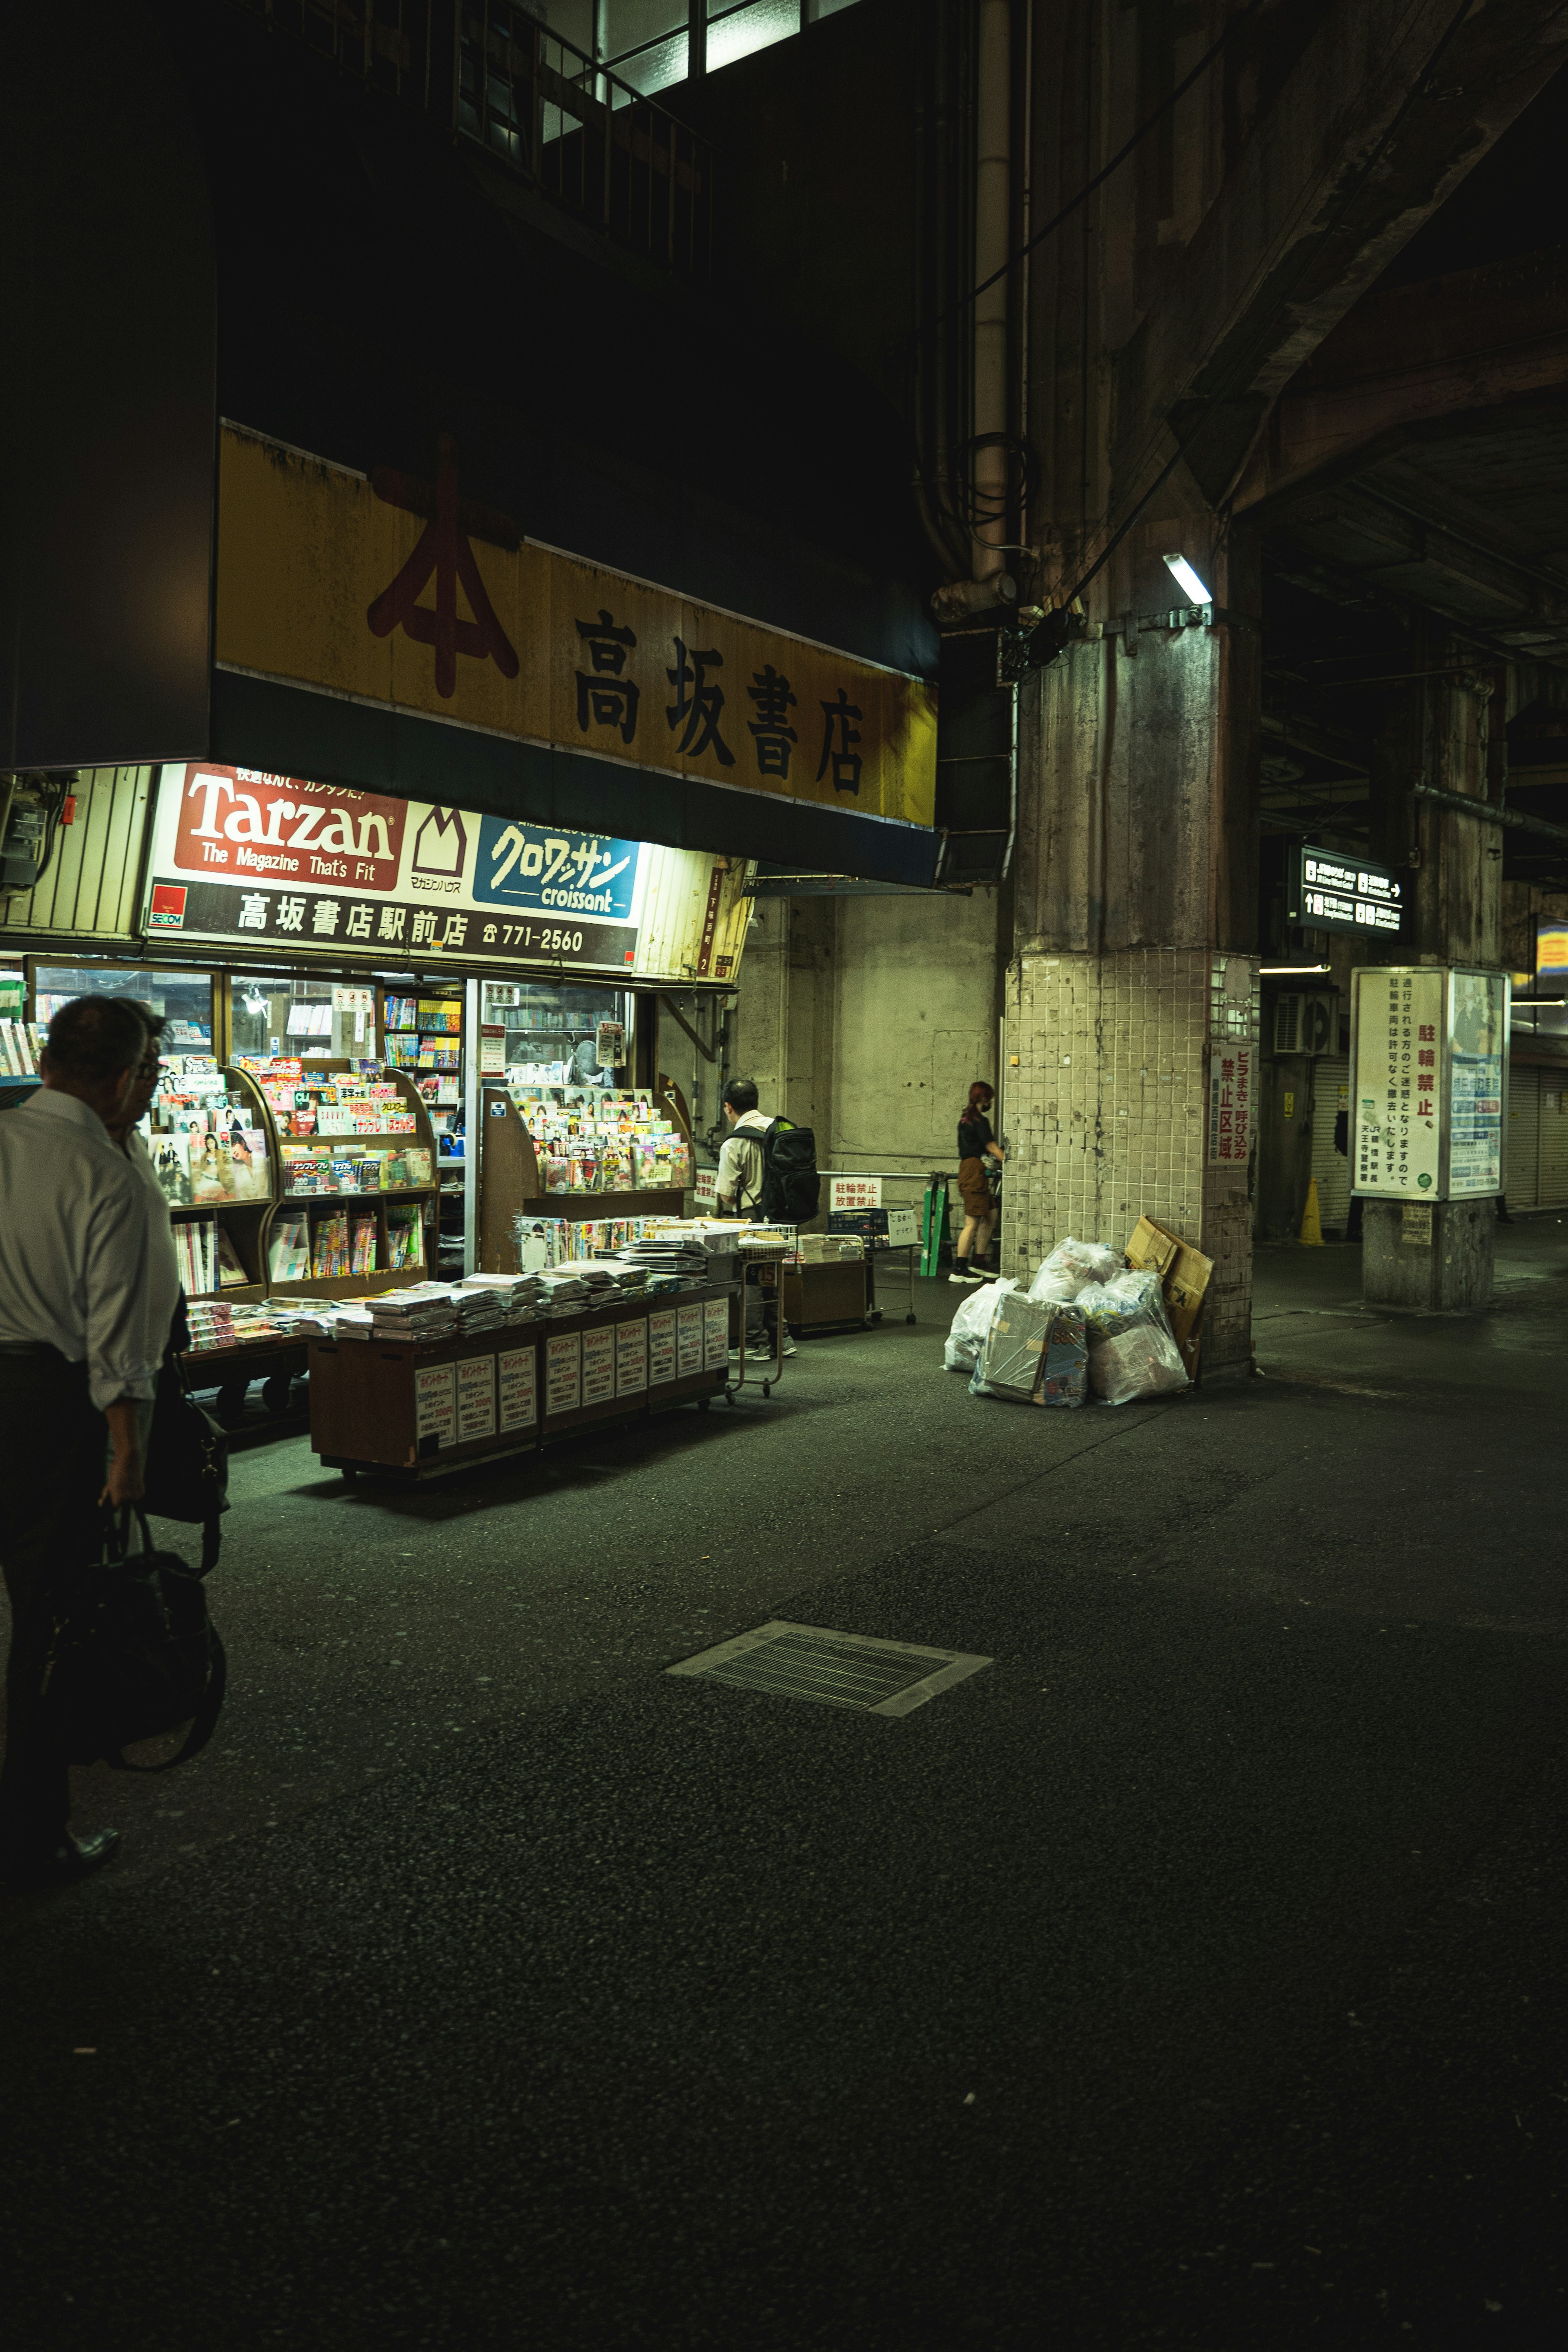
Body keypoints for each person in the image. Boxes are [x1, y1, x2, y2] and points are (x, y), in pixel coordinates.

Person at [0, 996, 180, 1891]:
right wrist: (128, 1451)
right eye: (146, 1072)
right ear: (120, 1076)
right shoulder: (104, 1174)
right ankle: (34, 1837)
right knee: (46, 1625)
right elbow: (117, 1334)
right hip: (51, 1405)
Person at [716, 1077, 796, 1360]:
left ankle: (753, 1343)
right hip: (782, 1215)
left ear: (728, 1107)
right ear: (756, 1102)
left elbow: (726, 1196)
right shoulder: (779, 1128)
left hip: (753, 1217)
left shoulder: (734, 1143)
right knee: (772, 1275)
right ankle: (782, 1339)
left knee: (750, 1278)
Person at [952, 1081, 1004, 1282]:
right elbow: (991, 1147)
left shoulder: (965, 1119)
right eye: (989, 1098)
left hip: (972, 1170)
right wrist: (1007, 1160)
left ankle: (979, 1260)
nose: (991, 1101)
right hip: (973, 1171)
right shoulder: (979, 1121)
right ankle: (959, 1269)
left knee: (991, 1214)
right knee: (972, 1222)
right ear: (984, 1098)